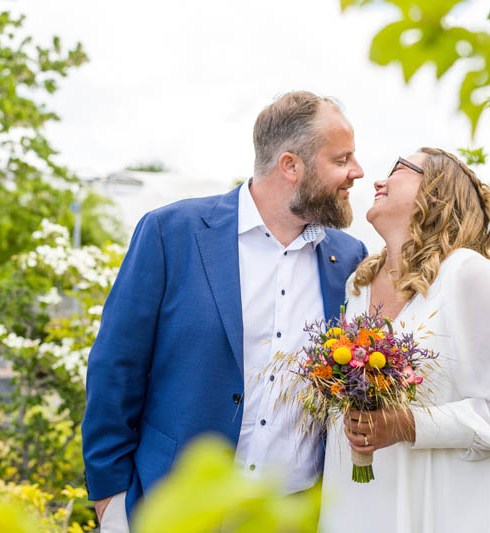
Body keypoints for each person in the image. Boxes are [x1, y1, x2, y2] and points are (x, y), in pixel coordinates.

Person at [81, 90, 368, 532]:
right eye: (342, 159)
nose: (357, 171)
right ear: (290, 165)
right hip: (177, 509)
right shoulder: (170, 233)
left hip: (291, 517)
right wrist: (111, 501)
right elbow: (115, 369)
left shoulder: (348, 258)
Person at [319, 147, 490, 533]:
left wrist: (409, 425)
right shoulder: (357, 285)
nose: (379, 180)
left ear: (436, 190)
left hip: (448, 508)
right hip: (364, 504)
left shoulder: (468, 274)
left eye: (398, 169)